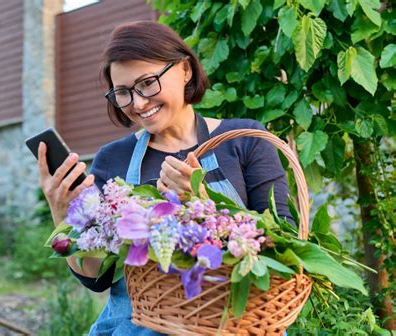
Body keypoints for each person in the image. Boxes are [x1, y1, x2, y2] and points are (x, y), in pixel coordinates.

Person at [37, 21, 292, 336]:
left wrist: (201, 204)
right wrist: (63, 214)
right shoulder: (112, 159)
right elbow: (98, 278)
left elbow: (285, 246)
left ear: (185, 70)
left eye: (147, 83)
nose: (139, 103)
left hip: (234, 325)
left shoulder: (244, 140)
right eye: (123, 93)